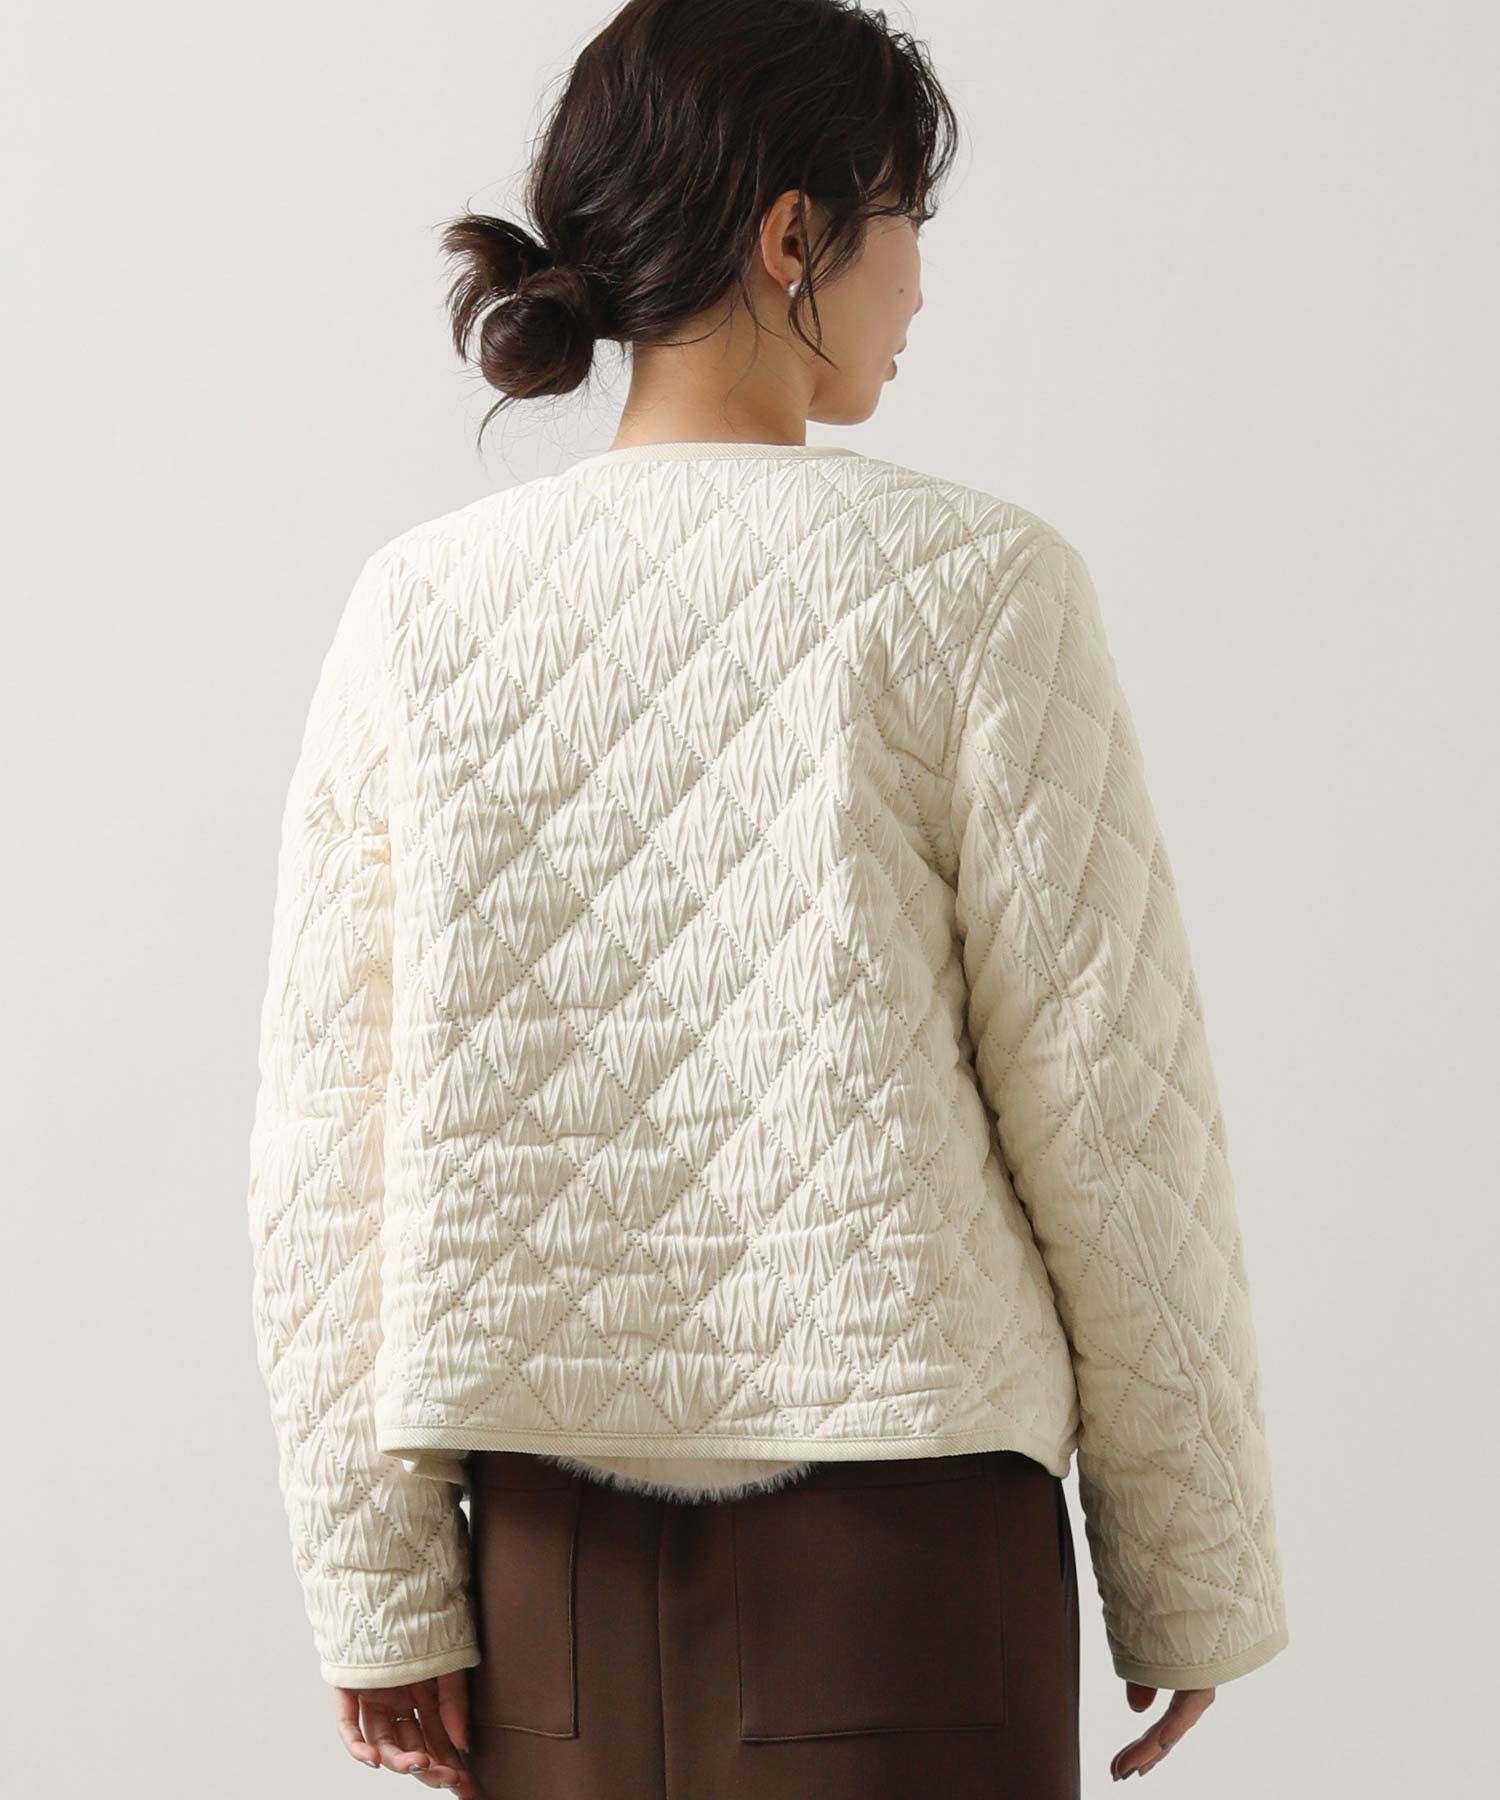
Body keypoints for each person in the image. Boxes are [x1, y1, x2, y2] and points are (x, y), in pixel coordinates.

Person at [243, 1, 1289, 1793]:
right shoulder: (976, 585)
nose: (922, 282)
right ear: (792, 236)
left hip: (546, 1581)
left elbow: (323, 1150)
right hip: (914, 1566)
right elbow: (1117, 1119)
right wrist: (1192, 1574)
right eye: (904, 222)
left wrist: (380, 1591)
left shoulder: (419, 609)